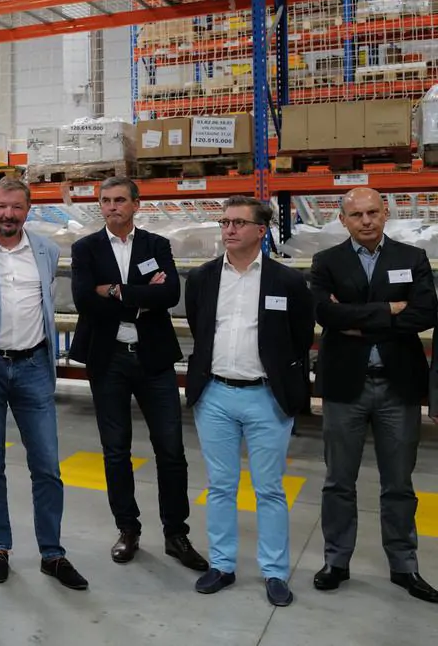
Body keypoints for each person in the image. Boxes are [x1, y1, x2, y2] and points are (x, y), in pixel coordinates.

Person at [68, 176, 206, 572]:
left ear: (135, 204)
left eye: (119, 200)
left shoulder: (156, 245)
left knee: (171, 449)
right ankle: (127, 529)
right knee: (116, 451)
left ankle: (176, 534)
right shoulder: (85, 248)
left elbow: (170, 294)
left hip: (153, 358)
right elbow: (83, 300)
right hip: (108, 358)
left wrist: (114, 290)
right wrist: (143, 296)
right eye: (105, 201)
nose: (112, 207)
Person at [308, 187, 438, 603]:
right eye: (356, 215)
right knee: (338, 481)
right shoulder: (326, 261)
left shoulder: (412, 258)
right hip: (345, 385)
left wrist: (355, 320)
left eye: (372, 212)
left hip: (398, 385)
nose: (365, 221)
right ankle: (336, 560)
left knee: (398, 483)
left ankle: (404, 565)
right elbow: (324, 313)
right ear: (342, 220)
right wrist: (390, 310)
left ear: (385, 214)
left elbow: (425, 313)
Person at [183, 196, 314, 607]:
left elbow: (300, 336)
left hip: (266, 397)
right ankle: (222, 565)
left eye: (238, 223)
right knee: (220, 486)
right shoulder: (202, 278)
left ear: (261, 230)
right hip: (215, 395)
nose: (229, 229)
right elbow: (199, 327)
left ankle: (274, 571)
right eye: (224, 222)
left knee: (269, 489)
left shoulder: (287, 281)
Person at [0, 177, 88, 591]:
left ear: (28, 211)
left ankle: (52, 553)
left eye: (16, 207)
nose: (8, 215)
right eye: (1, 207)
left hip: (33, 366)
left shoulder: (46, 250)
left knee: (47, 465)